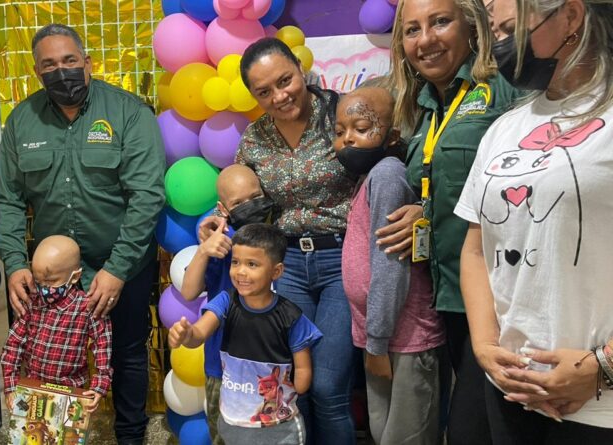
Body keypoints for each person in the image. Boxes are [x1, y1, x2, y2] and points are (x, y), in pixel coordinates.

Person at [0, 23, 165, 445]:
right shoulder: (21, 122)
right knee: (47, 363)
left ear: (87, 62)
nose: (61, 70)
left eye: (70, 60)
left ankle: (130, 437)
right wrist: (15, 264)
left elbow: (147, 196)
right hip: (54, 275)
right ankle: (49, 438)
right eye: (49, 64)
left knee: (125, 355)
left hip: (122, 265)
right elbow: (9, 200)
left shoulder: (129, 113)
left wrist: (117, 269)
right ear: (37, 72)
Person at [456, 0, 613, 441]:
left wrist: (602, 367)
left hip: (598, 406)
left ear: (572, 15)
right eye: (497, 34)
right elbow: (475, 246)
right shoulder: (504, 127)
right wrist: (486, 347)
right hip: (510, 392)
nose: (502, 48)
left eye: (512, 31)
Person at [376, 0, 524, 441]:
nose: (426, 40)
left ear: (471, 26)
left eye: (440, 22)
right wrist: (423, 209)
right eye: (412, 29)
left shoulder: (505, 87)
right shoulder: (420, 107)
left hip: (503, 299)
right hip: (448, 297)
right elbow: (452, 185)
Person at [199, 36, 355, 445]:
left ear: (301, 70)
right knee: (288, 388)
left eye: (285, 81)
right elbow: (237, 196)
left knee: (328, 389)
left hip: (341, 259)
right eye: (264, 91)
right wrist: (212, 222)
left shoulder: (340, 114)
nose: (279, 96)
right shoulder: (254, 139)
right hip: (284, 268)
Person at [335, 87, 446, 445]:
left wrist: (378, 343)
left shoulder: (386, 175)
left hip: (403, 340)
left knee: (405, 436)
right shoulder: (368, 178)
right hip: (381, 341)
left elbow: (389, 265)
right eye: (339, 131)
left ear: (392, 135)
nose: (348, 138)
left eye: (362, 127)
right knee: (384, 434)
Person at [169, 223, 322, 445]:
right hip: (232, 426)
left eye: (252, 264)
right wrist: (186, 334)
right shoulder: (224, 301)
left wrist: (301, 384)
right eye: (235, 262)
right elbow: (199, 332)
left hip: (280, 429)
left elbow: (302, 362)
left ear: (276, 271)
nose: (241, 271)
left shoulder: (291, 315)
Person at [180, 164, 275, 444]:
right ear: (223, 208)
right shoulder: (221, 242)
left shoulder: (278, 238)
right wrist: (204, 251)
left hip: (271, 368)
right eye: (238, 203)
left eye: (255, 197)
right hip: (223, 369)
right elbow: (189, 291)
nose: (249, 207)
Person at [1, 235, 111, 414]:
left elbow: (103, 347)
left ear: (75, 277)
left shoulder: (88, 308)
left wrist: (99, 386)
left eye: (51, 281)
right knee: (30, 437)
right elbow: (13, 346)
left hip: (71, 393)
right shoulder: (31, 302)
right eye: (38, 281)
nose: (44, 287)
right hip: (32, 389)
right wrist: (11, 386)